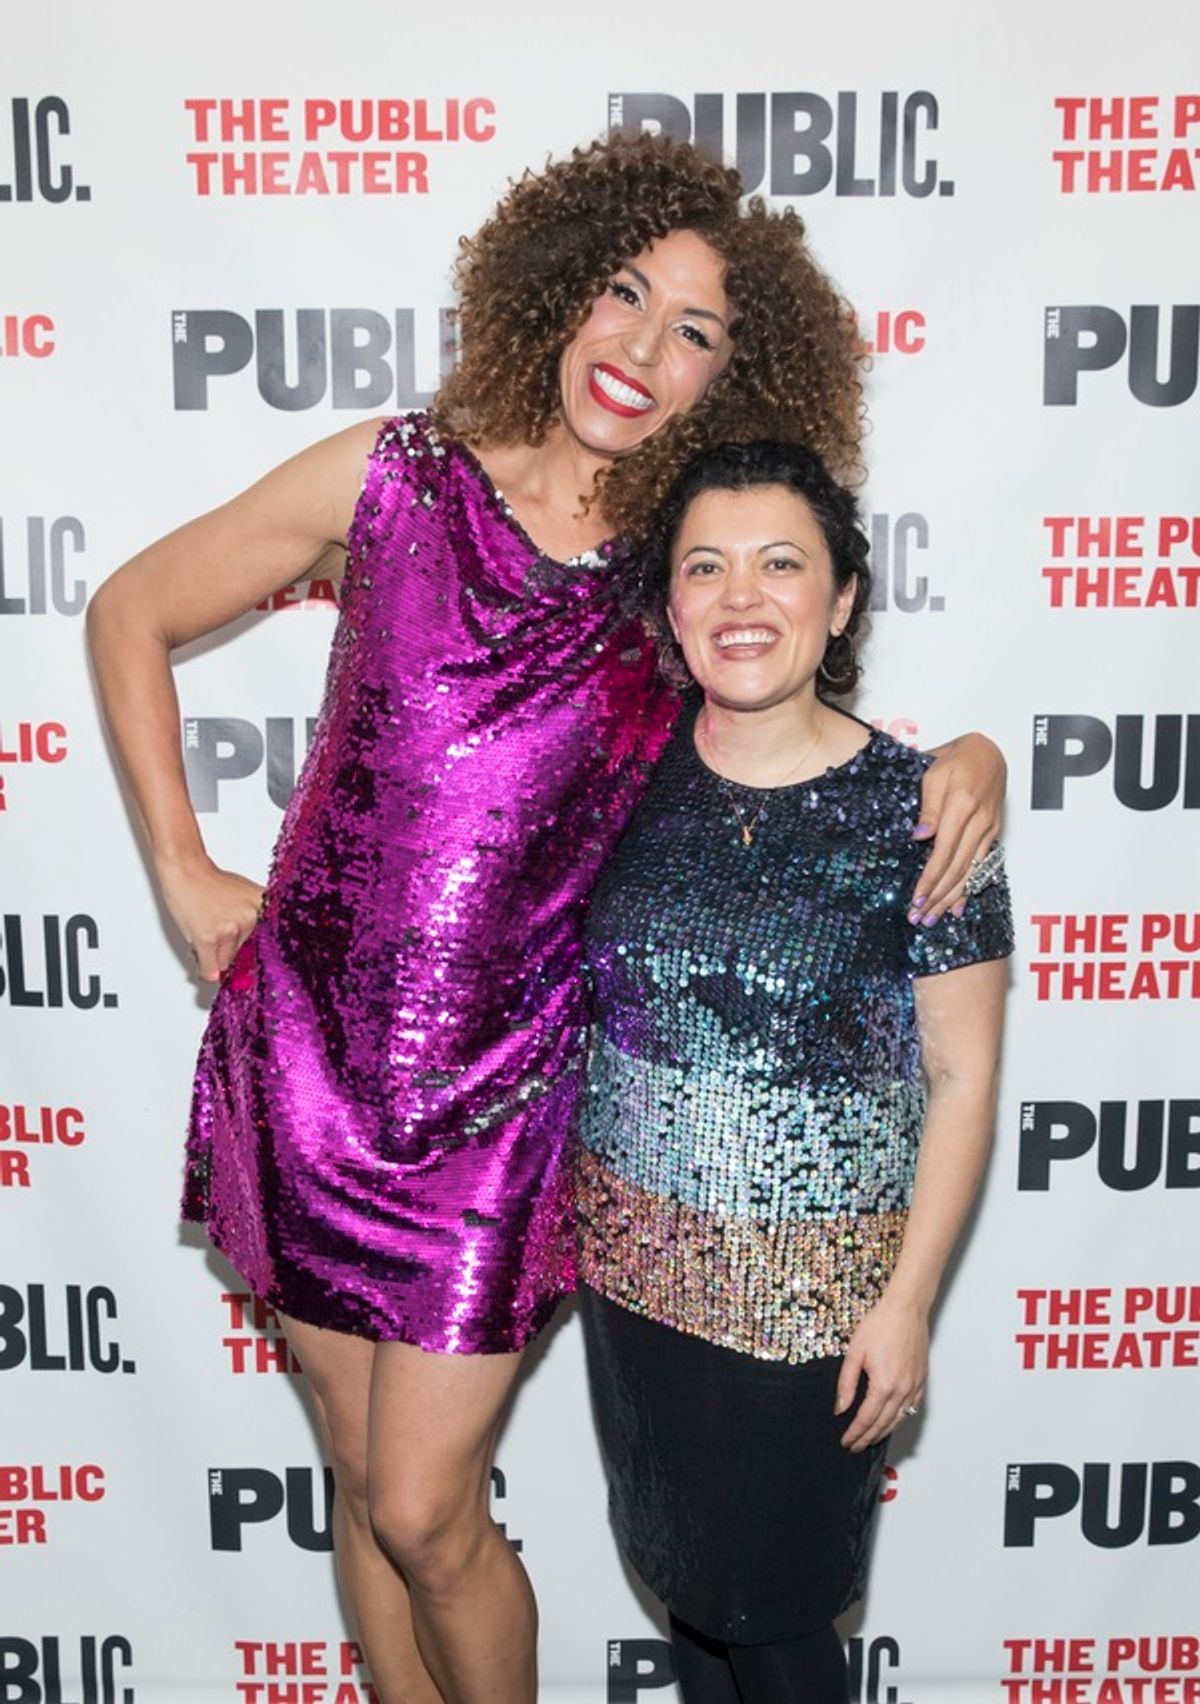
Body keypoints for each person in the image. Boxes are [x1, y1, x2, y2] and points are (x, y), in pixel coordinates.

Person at [86, 135, 1005, 1704]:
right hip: (303, 1059)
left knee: (423, 1504)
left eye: (697, 331)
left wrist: (972, 759)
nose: (645, 349)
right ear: (560, 293)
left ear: (736, 376)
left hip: (506, 1102)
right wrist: (182, 871)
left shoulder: (674, 577)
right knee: (358, 1492)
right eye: (625, 293)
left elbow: (795, 727)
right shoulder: (390, 474)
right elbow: (130, 610)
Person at [576, 439, 1013, 1704]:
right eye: (704, 569)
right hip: (637, 1287)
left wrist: (910, 1302)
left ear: (842, 601)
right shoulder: (618, 784)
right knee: (692, 1607)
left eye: (781, 565)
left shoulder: (927, 810)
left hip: (818, 1310)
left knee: (773, 1621)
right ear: (669, 608)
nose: (740, 598)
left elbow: (964, 1078)